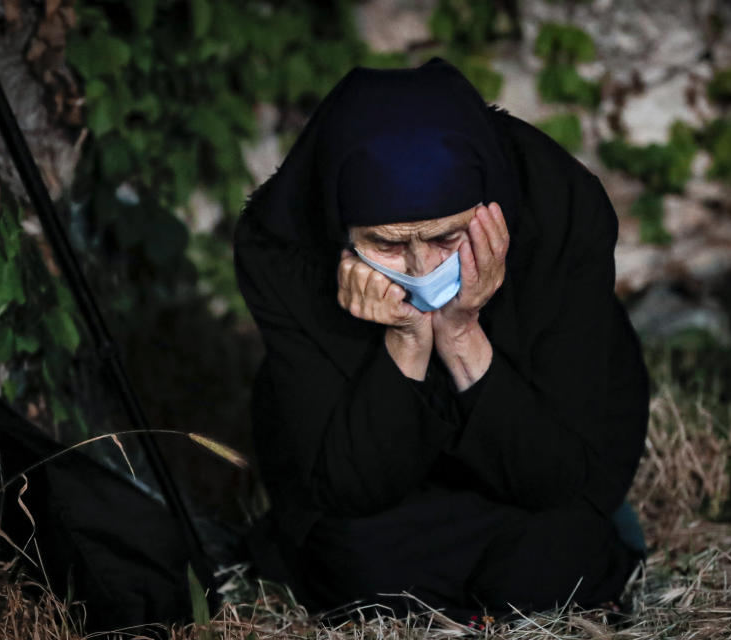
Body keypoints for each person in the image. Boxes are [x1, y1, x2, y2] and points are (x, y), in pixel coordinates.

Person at [233, 57, 650, 622]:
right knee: (365, 576)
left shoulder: (561, 210)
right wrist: (406, 337)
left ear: (488, 211)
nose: (419, 267)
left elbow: (552, 474)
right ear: (338, 228)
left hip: (542, 449)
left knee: (545, 571)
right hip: (377, 487)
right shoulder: (283, 246)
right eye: (384, 243)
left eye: (446, 237)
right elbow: (351, 489)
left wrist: (459, 331)